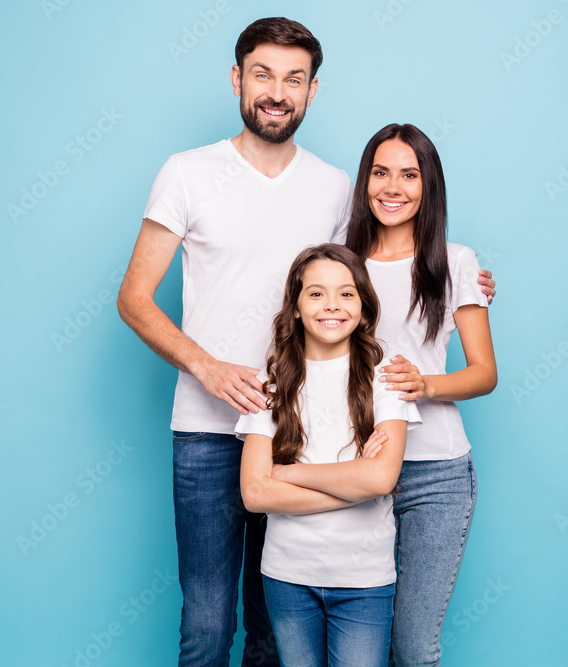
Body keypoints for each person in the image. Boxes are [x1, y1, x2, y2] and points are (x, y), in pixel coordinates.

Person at [116, 16, 495, 665]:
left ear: (313, 90)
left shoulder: (332, 189)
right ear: (237, 79)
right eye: (262, 74)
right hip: (211, 428)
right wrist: (210, 370)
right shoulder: (187, 172)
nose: (276, 90)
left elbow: (369, 277)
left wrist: (465, 280)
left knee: (274, 621)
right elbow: (133, 297)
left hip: (301, 427)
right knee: (208, 620)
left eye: (293, 78)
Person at [281, 123, 498, 665]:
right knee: (354, 641)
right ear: (365, 182)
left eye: (409, 174)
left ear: (430, 187)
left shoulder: (456, 261)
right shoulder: (342, 262)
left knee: (412, 645)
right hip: (353, 468)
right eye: (380, 173)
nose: (393, 187)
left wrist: (425, 385)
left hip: (433, 474)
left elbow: (484, 372)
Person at [236, 243, 420, 667]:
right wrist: (354, 479)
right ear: (296, 307)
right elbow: (254, 495)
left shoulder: (385, 375)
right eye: (316, 293)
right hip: (287, 576)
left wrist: (284, 475)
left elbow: (380, 480)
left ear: (363, 305)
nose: (332, 305)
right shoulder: (270, 382)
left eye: (347, 293)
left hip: (364, 580)